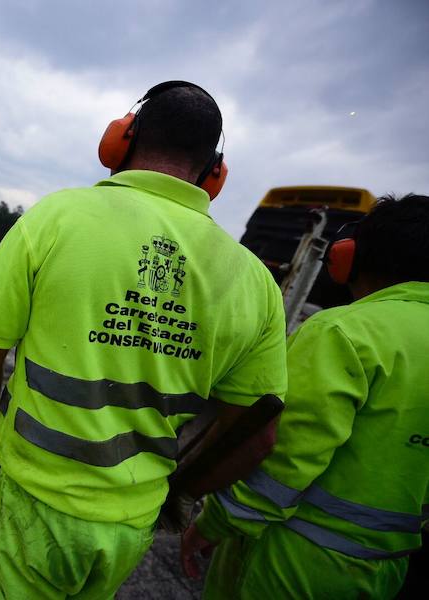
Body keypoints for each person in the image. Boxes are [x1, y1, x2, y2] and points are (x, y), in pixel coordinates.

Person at [0, 81, 288, 599]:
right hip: (131, 523)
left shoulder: (56, 218)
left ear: (121, 140)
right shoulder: (255, 283)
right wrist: (182, 491)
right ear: (214, 174)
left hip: (36, 503)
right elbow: (257, 435)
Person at [182, 194, 429, 599]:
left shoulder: (344, 332)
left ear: (353, 257)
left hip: (293, 558)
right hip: (388, 569)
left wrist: (214, 524)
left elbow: (283, 456)